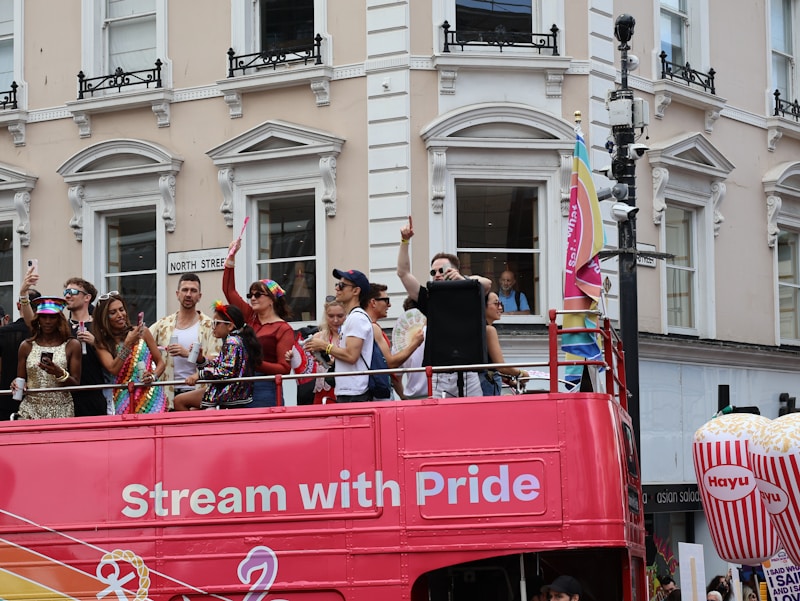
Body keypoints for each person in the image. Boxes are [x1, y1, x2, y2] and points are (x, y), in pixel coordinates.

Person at [396, 218, 488, 397]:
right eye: (433, 272)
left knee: (474, 419)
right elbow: (403, 273)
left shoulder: (470, 291)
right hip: (441, 372)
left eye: (442, 270)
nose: (437, 275)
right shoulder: (429, 297)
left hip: (469, 370)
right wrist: (405, 241)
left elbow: (487, 284)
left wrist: (462, 280)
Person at [223, 242, 294, 407]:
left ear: (272, 299)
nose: (252, 298)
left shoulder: (283, 329)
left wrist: (255, 363)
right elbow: (229, 291)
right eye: (250, 294)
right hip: (240, 386)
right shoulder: (250, 316)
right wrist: (230, 259)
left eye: (258, 294)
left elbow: (284, 368)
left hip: (265, 388)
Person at [174, 303, 262, 410]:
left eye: (216, 323)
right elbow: (221, 364)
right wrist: (201, 360)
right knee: (193, 410)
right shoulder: (236, 339)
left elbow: (226, 371)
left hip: (229, 393)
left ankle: (193, 428)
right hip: (230, 391)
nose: (213, 327)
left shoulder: (232, 342)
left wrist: (200, 375)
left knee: (178, 401)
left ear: (230, 326)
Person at [149, 273, 219, 408]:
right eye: (185, 290)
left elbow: (217, 361)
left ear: (199, 296)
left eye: (193, 291)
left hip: (197, 394)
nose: (188, 294)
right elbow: (142, 345)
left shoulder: (210, 326)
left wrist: (188, 354)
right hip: (165, 394)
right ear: (177, 294)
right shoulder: (163, 325)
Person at [305, 269, 373, 403]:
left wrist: (324, 346)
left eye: (342, 285)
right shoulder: (352, 318)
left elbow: (351, 356)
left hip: (355, 392)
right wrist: (327, 360)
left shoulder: (357, 318)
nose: (337, 288)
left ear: (355, 291)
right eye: (337, 284)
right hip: (349, 390)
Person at [92, 292, 166, 414]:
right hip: (124, 399)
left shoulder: (143, 332)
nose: (120, 315)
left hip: (152, 397)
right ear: (104, 318)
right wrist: (127, 344)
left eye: (121, 310)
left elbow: (161, 363)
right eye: (113, 312)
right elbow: (113, 369)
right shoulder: (101, 343)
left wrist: (153, 376)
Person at [12, 296, 82, 420]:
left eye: (52, 317)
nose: (47, 321)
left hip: (61, 410)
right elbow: (21, 380)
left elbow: (76, 384)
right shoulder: (26, 346)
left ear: (59, 320)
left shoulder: (72, 345)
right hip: (30, 409)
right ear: (38, 319)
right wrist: (16, 385)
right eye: (43, 317)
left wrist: (59, 373)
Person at [365, 283, 424, 400]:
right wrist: (415, 343)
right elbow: (391, 364)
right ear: (373, 302)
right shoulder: (372, 327)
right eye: (386, 300)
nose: (390, 305)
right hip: (377, 393)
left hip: (380, 391)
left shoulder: (370, 326)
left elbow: (395, 374)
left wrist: (402, 396)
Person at [61, 277, 109, 416]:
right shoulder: (62, 327)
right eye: (66, 292)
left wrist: (95, 343)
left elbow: (112, 360)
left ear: (87, 297)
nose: (68, 295)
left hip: (95, 394)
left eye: (73, 292)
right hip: (67, 396)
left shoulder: (100, 326)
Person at [0, 288, 40, 420]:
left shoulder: (3, 333)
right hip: (39, 397)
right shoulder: (45, 335)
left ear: (18, 306)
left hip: (6, 397)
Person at [481, 291, 529, 396]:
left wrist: (507, 380)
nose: (500, 308)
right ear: (482, 306)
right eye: (496, 304)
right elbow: (501, 366)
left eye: (501, 304)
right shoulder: (489, 330)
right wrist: (521, 374)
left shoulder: (478, 329)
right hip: (487, 385)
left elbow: (488, 364)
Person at [299, 298, 345, 404]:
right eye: (331, 316)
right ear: (325, 316)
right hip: (322, 389)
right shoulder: (318, 336)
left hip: (343, 388)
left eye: (340, 316)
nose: (335, 320)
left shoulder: (350, 336)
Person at [392, 297, 428, 400]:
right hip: (439, 394)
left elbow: (395, 377)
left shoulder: (399, 340)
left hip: (413, 397)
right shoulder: (436, 333)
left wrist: (403, 397)